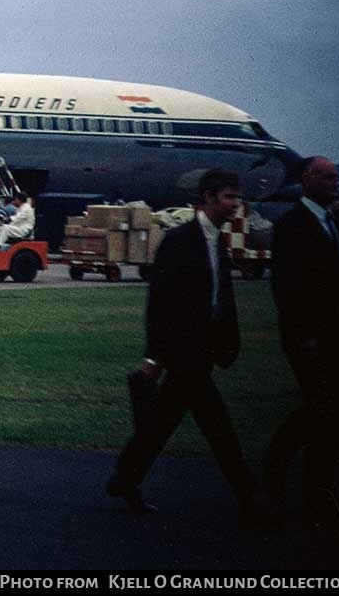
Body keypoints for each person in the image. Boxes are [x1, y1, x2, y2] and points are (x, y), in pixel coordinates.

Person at [106, 169, 258, 522]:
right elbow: (160, 303)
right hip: (184, 353)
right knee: (220, 430)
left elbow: (219, 296)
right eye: (228, 197)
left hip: (204, 351)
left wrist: (227, 342)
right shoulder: (179, 241)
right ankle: (251, 497)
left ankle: (124, 478)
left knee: (160, 424)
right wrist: (154, 355)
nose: (236, 205)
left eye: (238, 197)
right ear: (207, 198)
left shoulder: (216, 240)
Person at [262, 156, 339, 526]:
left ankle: (318, 488)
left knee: (331, 414)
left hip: (338, 338)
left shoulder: (330, 222)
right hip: (310, 341)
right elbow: (287, 288)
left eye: (336, 178)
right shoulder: (293, 225)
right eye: (328, 178)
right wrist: (305, 338)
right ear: (307, 179)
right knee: (319, 408)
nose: (335, 184)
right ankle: (279, 474)